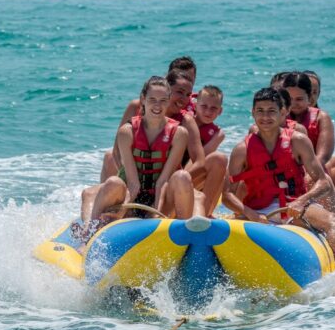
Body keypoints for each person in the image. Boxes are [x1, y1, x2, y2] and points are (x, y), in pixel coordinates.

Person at [223, 88, 335, 263]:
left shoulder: (298, 141)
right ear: (252, 113)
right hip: (258, 212)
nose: (265, 117)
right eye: (260, 111)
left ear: (283, 112)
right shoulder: (241, 150)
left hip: (295, 207)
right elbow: (227, 195)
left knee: (330, 220)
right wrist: (250, 213)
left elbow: (323, 182)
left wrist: (303, 200)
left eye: (271, 111)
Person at [78, 76, 197, 241]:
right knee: (113, 182)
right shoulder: (127, 132)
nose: (157, 105)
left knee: (182, 176)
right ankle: (90, 236)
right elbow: (133, 183)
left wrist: (155, 214)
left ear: (169, 100)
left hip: (160, 196)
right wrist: (123, 210)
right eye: (152, 99)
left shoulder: (179, 134)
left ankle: (187, 239)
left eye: (163, 100)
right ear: (143, 99)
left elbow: (163, 181)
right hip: (132, 194)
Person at [99, 57, 197, 181]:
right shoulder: (137, 107)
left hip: (168, 174)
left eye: (188, 91)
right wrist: (129, 178)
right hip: (136, 170)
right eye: (179, 90)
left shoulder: (189, 116)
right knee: (109, 157)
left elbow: (198, 159)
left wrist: (178, 180)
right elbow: (117, 150)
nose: (184, 97)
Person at [291, 71, 335, 229]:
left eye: (314, 91)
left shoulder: (320, 117)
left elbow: (321, 158)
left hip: (311, 172)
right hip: (291, 176)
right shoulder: (278, 116)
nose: (295, 103)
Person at [183, 85, 228, 216]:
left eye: (213, 108)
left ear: (220, 111)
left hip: (194, 173)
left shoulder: (217, 134)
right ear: (196, 105)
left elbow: (200, 159)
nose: (208, 112)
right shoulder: (185, 120)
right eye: (204, 106)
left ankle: (206, 212)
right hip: (177, 174)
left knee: (221, 162)